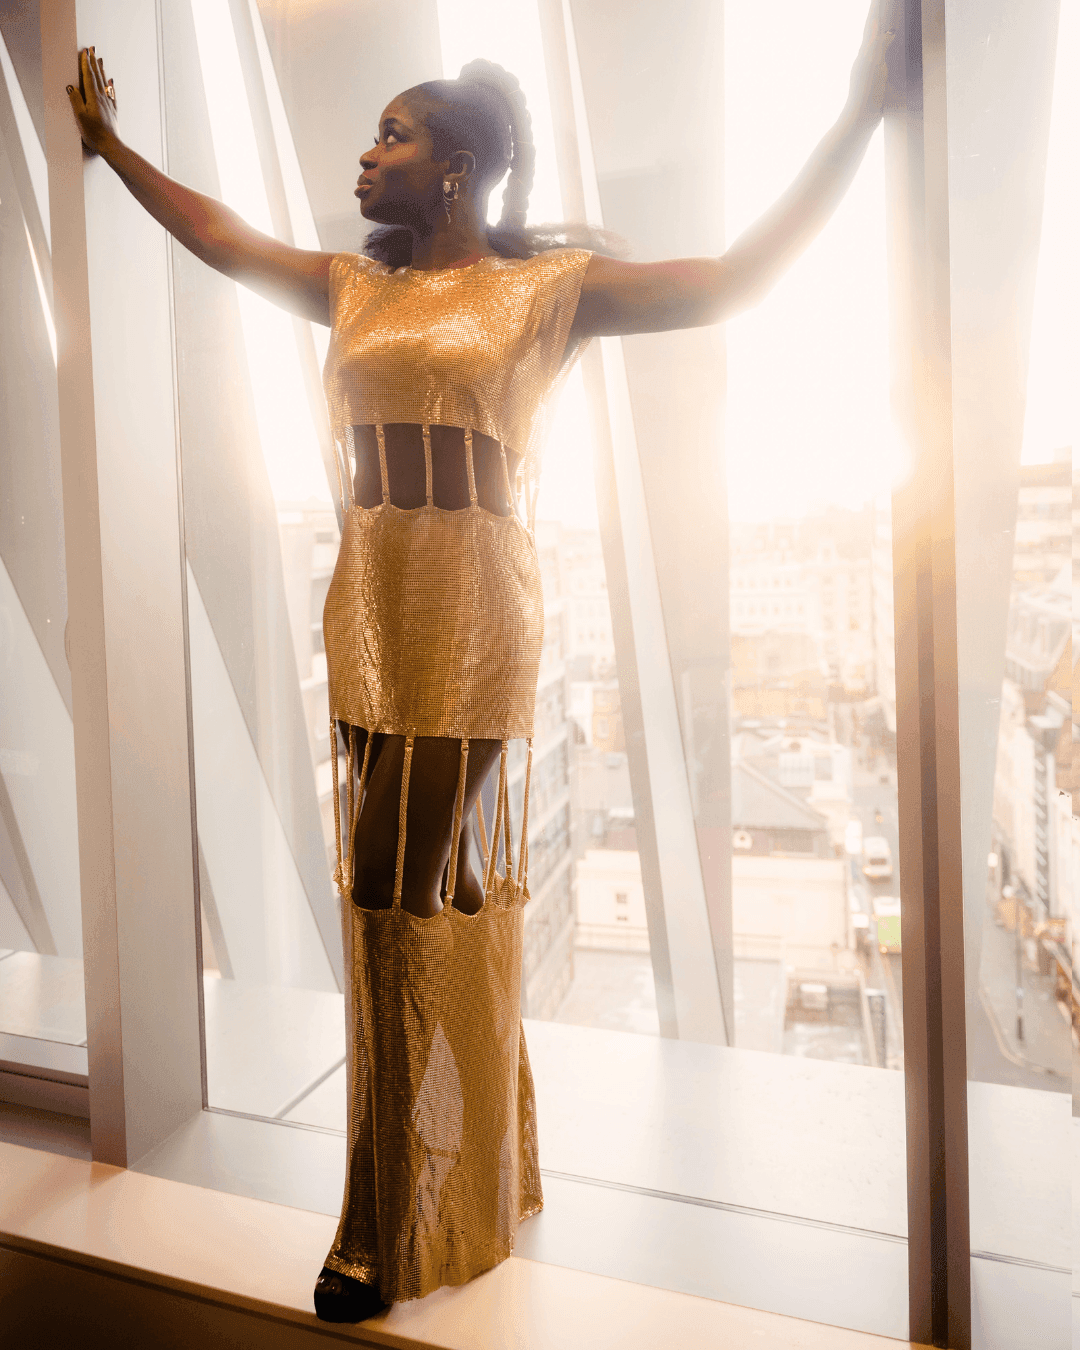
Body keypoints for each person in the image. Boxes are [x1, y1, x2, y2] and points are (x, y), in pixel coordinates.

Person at [68, 4, 894, 1324]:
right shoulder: (357, 289)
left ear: (453, 164)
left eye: (389, 136)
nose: (364, 156)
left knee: (393, 899)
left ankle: (380, 1222)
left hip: (475, 612)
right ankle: (480, 1171)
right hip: (369, 605)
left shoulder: (542, 293)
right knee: (424, 893)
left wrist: (854, 114)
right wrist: (114, 150)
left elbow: (736, 276)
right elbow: (224, 239)